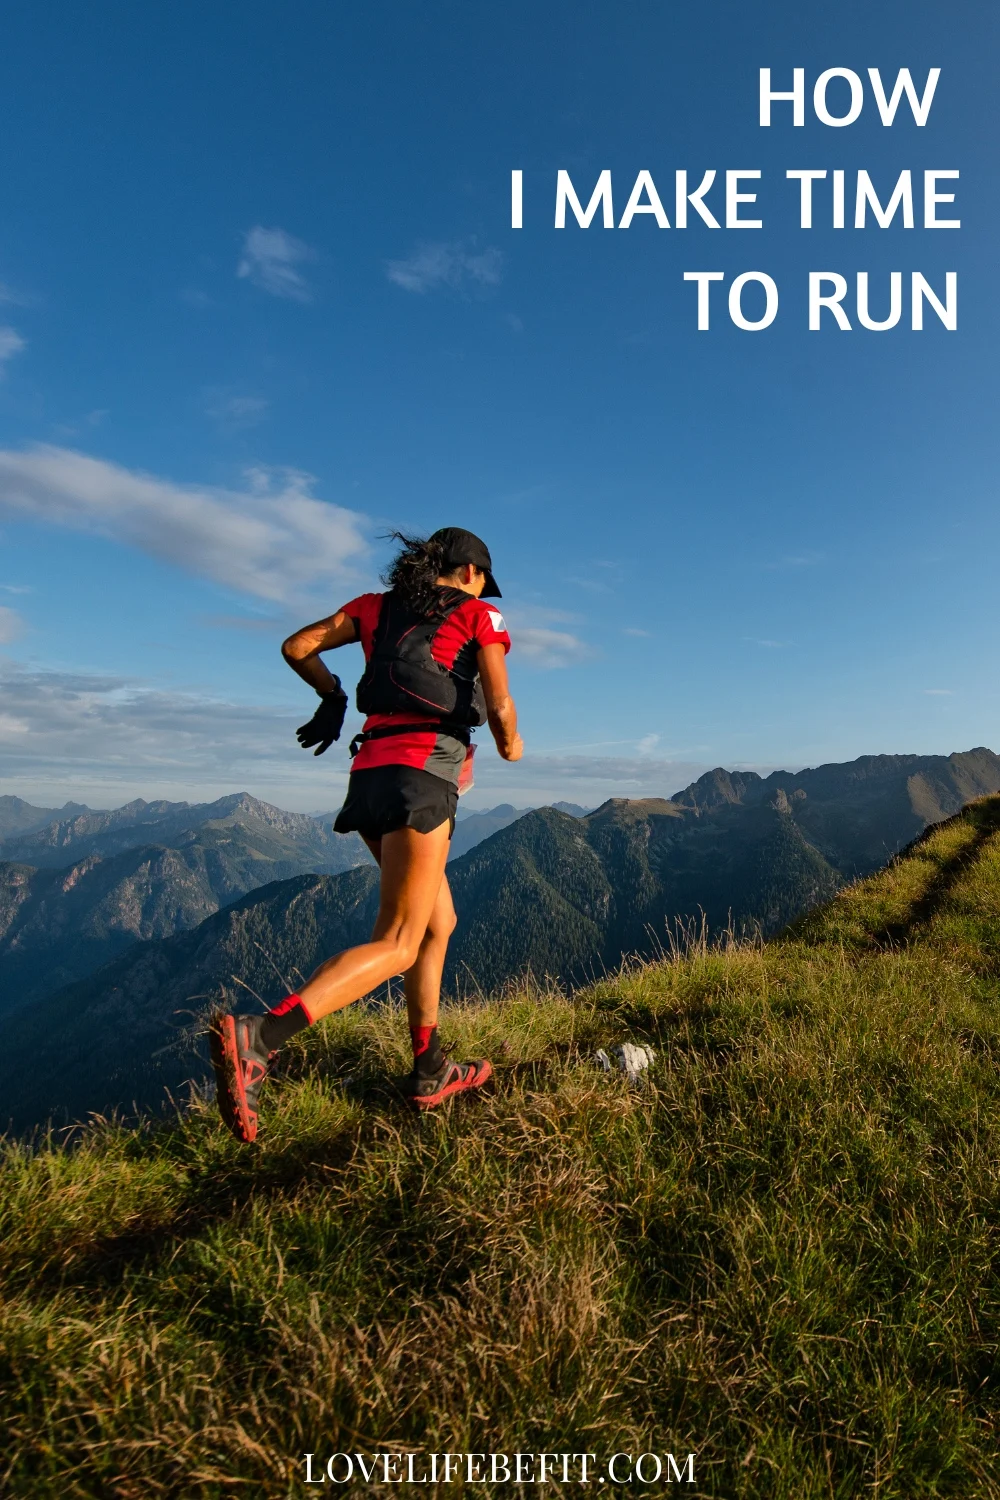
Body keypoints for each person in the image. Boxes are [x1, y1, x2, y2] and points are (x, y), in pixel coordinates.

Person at [209, 527, 523, 1143]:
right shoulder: (480, 613)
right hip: (422, 778)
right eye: (484, 578)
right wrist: (510, 744)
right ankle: (259, 1039)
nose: (485, 587)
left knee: (438, 923)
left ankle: (430, 1068)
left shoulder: (372, 607)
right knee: (401, 941)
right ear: (468, 572)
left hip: (369, 776)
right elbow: (501, 702)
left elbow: (297, 645)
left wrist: (332, 694)